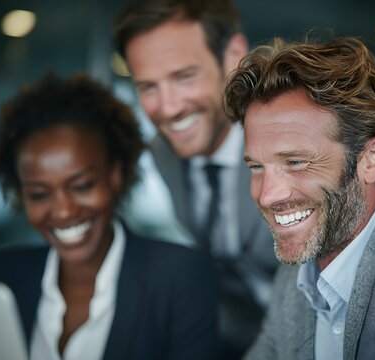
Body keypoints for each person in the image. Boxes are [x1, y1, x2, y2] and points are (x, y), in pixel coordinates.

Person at [224, 36, 375, 359]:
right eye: (256, 166)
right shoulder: (298, 271)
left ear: (371, 160)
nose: (268, 195)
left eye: (295, 162)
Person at [0, 73, 218, 360]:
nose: (63, 211)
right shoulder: (5, 275)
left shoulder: (179, 276)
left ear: (115, 175)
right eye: (39, 194)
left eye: (82, 186)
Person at [113, 0, 278, 357]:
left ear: (233, 54)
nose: (168, 108)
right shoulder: (163, 152)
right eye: (148, 87)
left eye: (184, 77)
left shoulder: (290, 140)